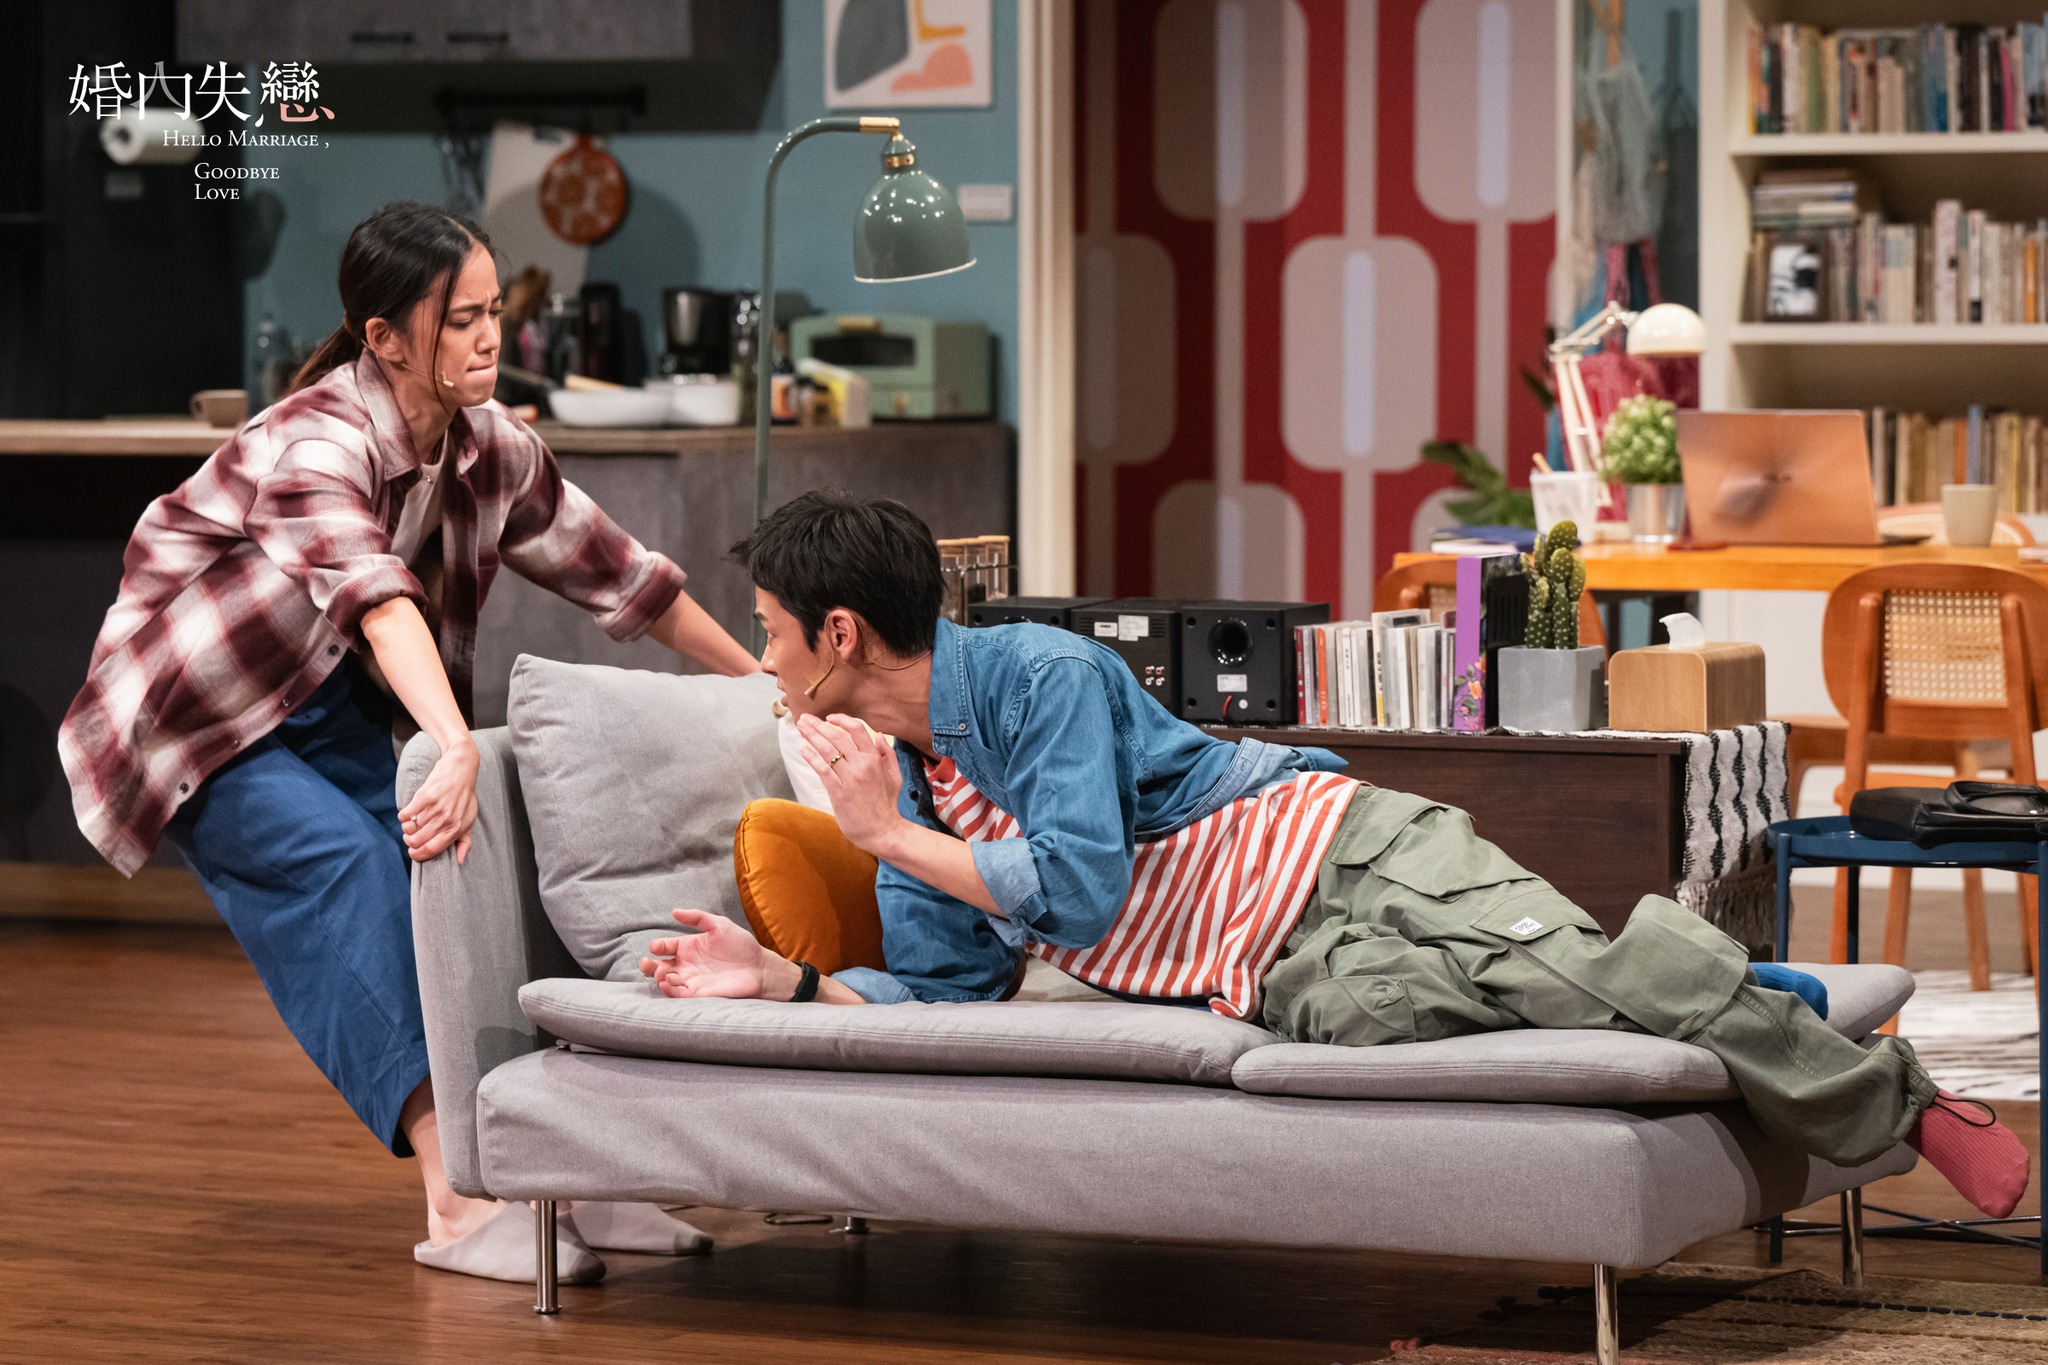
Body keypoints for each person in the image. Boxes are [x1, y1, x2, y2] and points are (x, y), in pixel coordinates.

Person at [641, 490, 2031, 1223]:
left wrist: (885, 838)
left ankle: (1898, 1106)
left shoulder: (1035, 679)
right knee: (1543, 999)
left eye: (767, 627)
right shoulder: (900, 790)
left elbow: (1079, 888)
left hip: (1337, 856)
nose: (759, 652)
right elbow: (949, 996)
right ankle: (1741, 992)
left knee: (1556, 972)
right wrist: (787, 982)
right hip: (1271, 977)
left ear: (837, 634)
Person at [60, 201, 759, 1283]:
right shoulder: (318, 442)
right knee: (353, 875)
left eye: (494, 312)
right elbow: (378, 602)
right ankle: (457, 1201)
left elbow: (628, 580)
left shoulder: (488, 445)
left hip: (335, 698)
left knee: (484, 867)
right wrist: (452, 740)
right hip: (199, 720)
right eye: (460, 319)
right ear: (385, 338)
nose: (490, 338)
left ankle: (572, 1170)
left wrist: (764, 688)